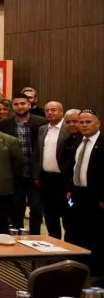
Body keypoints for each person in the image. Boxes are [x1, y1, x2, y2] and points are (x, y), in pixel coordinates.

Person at [0, 93, 47, 234]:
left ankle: (35, 236)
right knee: (16, 208)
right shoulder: (5, 124)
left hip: (35, 173)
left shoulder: (42, 122)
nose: (20, 107)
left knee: (36, 208)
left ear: (29, 105)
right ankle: (17, 234)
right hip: (15, 173)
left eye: (23, 103)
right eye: (16, 104)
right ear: (12, 107)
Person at [64, 110, 102, 276]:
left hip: (96, 197)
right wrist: (69, 189)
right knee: (75, 230)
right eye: (81, 122)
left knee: (95, 233)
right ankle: (77, 266)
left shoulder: (101, 142)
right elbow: (72, 167)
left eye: (88, 122)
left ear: (98, 124)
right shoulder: (78, 141)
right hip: (77, 195)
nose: (84, 125)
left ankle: (96, 270)